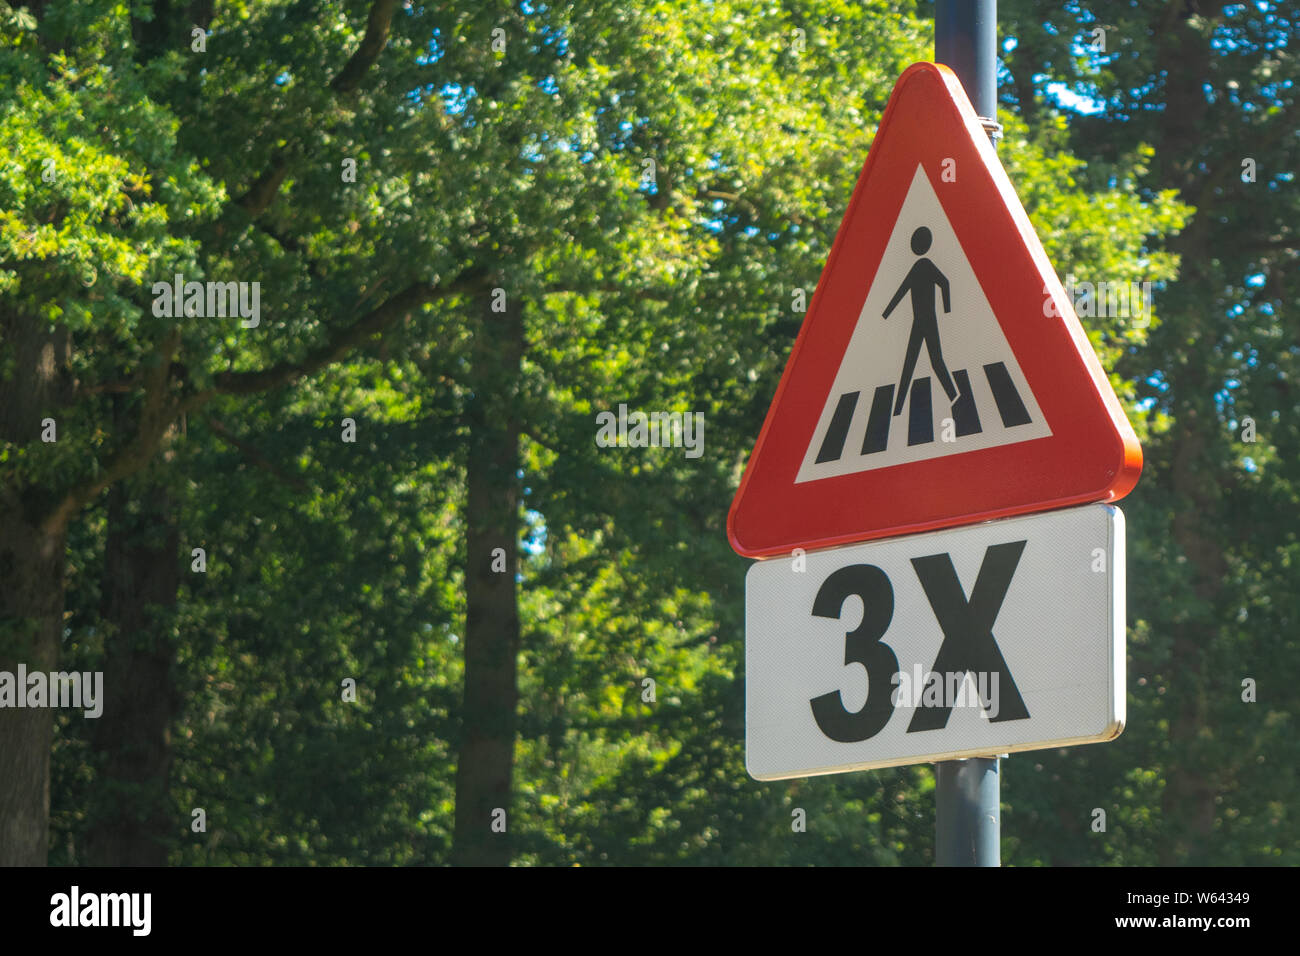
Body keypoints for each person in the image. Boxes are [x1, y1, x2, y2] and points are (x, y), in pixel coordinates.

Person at [882, 226, 959, 415]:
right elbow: (902, 291)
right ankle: (898, 409)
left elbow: (945, 283)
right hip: (919, 322)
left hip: (929, 320)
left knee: (935, 361)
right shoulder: (918, 267)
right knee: (910, 363)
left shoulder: (925, 265)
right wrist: (886, 313)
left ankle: (954, 397)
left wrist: (947, 309)